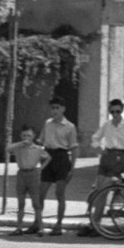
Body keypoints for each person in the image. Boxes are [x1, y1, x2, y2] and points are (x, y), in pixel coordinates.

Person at [84, 98, 124, 235]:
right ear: (109, 111)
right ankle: (95, 224)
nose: (115, 114)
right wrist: (99, 149)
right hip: (107, 157)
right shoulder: (107, 125)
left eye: (118, 111)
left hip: (119, 157)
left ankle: (96, 224)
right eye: (112, 111)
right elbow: (95, 138)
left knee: (104, 189)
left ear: (122, 111)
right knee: (98, 191)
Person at [39, 96, 79, 236]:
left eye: (57, 108)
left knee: (59, 193)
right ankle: (38, 223)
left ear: (63, 109)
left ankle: (58, 224)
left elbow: (73, 148)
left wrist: (72, 168)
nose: (54, 111)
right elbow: (41, 141)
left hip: (62, 158)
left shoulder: (69, 126)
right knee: (41, 193)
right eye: (52, 108)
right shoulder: (47, 123)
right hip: (48, 157)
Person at [5, 125, 49, 236]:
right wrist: (20, 143)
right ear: (21, 136)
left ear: (33, 136)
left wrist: (40, 169)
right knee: (21, 203)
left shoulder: (38, 149)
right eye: (24, 135)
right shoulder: (18, 147)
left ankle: (41, 228)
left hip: (33, 174)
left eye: (29, 135)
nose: (26, 137)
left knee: (36, 203)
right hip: (21, 174)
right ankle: (19, 228)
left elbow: (48, 157)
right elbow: (7, 149)